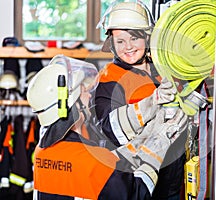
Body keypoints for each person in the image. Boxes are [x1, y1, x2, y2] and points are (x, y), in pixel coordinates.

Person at [26, 55, 188, 200]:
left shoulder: (42, 153)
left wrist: (145, 137)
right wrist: (158, 145)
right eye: (83, 91)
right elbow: (138, 192)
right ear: (74, 105)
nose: (89, 95)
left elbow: (103, 168)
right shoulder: (92, 163)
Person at [94, 1, 188, 199]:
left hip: (174, 175)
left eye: (134, 38)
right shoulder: (110, 78)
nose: (128, 47)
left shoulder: (163, 69)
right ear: (112, 43)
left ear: (147, 37)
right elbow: (109, 130)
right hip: (138, 180)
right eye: (120, 41)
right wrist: (151, 103)